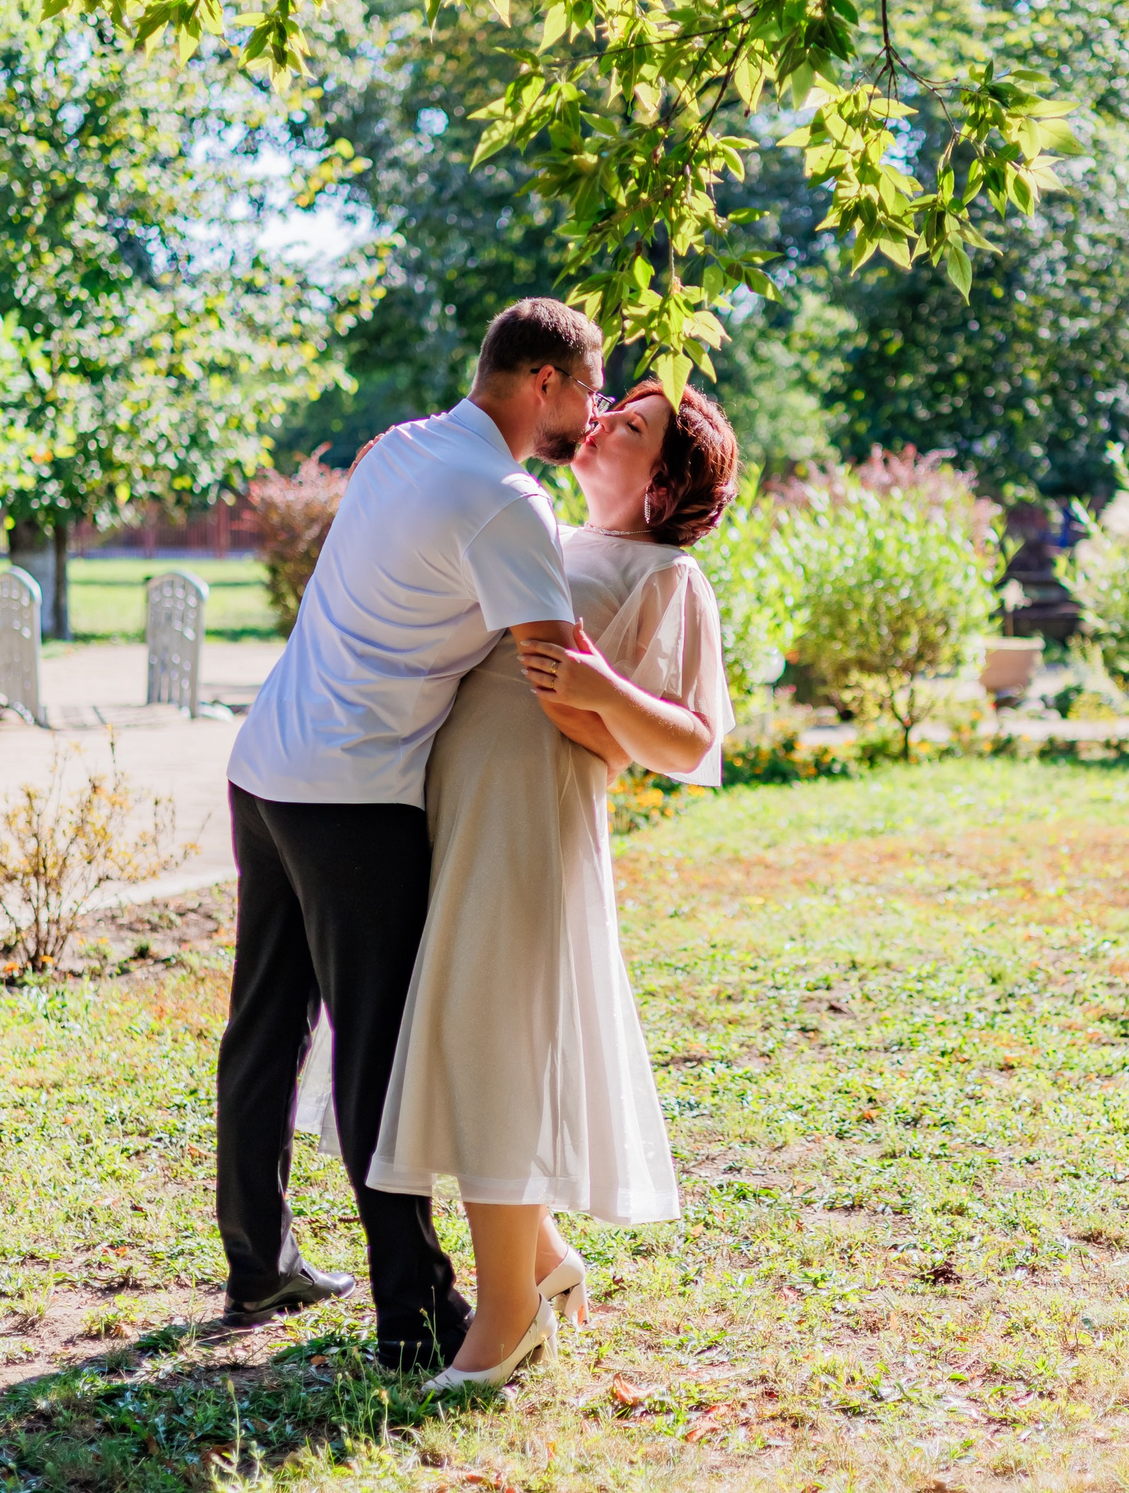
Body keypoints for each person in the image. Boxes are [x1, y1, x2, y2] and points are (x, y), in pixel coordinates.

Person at [214, 297, 618, 1368]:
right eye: (589, 388)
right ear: (543, 382)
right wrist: (625, 743)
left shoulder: (399, 446)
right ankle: (413, 1307)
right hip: (353, 791)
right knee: (379, 1048)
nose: (595, 408)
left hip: (266, 764)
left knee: (267, 1025)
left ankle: (258, 1262)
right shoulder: (505, 499)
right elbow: (551, 668)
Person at [339, 374, 739, 1390]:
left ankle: (509, 1312)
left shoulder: (665, 576)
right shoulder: (547, 531)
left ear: (663, 481)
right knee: (475, 1029)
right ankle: (546, 1259)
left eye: (634, 425)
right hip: (459, 805)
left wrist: (604, 693)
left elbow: (693, 742)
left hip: (533, 818)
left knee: (493, 1038)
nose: (601, 421)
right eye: (611, 407)